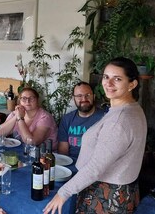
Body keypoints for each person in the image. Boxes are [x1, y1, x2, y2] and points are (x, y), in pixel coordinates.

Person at [44, 57, 147, 214]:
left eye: (117, 79)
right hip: (120, 190)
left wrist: (63, 193)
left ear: (132, 84)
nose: (108, 83)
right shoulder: (130, 109)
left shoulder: (119, 121)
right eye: (106, 77)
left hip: (105, 195)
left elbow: (95, 167)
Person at [57, 81, 104, 161]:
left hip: (94, 165)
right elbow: (63, 151)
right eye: (79, 96)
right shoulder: (67, 119)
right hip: (71, 163)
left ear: (94, 96)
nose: (84, 99)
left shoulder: (104, 118)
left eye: (88, 95)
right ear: (73, 98)